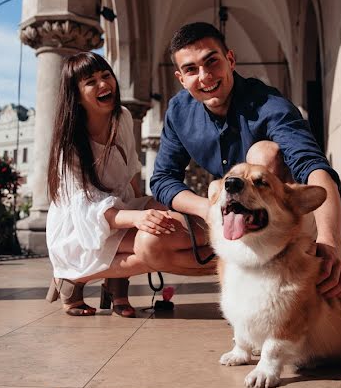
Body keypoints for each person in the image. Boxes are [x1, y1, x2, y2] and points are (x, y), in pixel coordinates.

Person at [150, 22, 341, 298]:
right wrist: (205, 208)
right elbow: (162, 179)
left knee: (263, 155)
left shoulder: (268, 104)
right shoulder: (178, 112)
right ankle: (245, 274)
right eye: (191, 69)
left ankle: (287, 268)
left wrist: (331, 242)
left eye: (212, 62)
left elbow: (312, 167)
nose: (205, 76)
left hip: (279, 221)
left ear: (230, 60)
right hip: (227, 217)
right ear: (181, 78)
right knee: (152, 243)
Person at [46, 51, 216, 318]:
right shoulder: (69, 146)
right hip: (82, 227)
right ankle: (74, 276)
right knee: (163, 240)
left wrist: (146, 206)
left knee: (180, 216)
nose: (104, 84)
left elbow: (131, 172)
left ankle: (110, 280)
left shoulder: (122, 117)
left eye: (105, 75)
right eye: (91, 81)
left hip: (121, 208)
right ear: (76, 96)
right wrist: (138, 219)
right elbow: (88, 209)